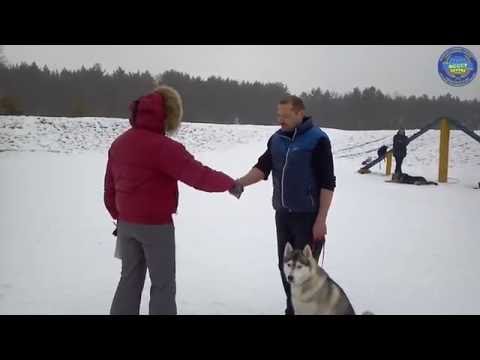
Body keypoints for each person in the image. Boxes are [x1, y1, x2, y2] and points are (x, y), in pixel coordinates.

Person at [104, 85, 242, 315]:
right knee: (163, 285)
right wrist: (229, 183)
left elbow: (109, 190)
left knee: (128, 281)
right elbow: (199, 175)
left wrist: (119, 217)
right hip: (156, 227)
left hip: (126, 224)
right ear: (167, 116)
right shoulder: (165, 148)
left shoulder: (119, 143)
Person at [234, 95, 336, 315]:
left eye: (286, 116)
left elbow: (328, 183)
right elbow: (262, 168)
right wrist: (239, 182)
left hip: (307, 217)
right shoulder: (276, 139)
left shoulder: (318, 139)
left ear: (300, 113)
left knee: (305, 272)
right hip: (282, 215)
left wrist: (321, 219)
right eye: (279, 115)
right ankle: (292, 309)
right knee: (286, 267)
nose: (281, 120)